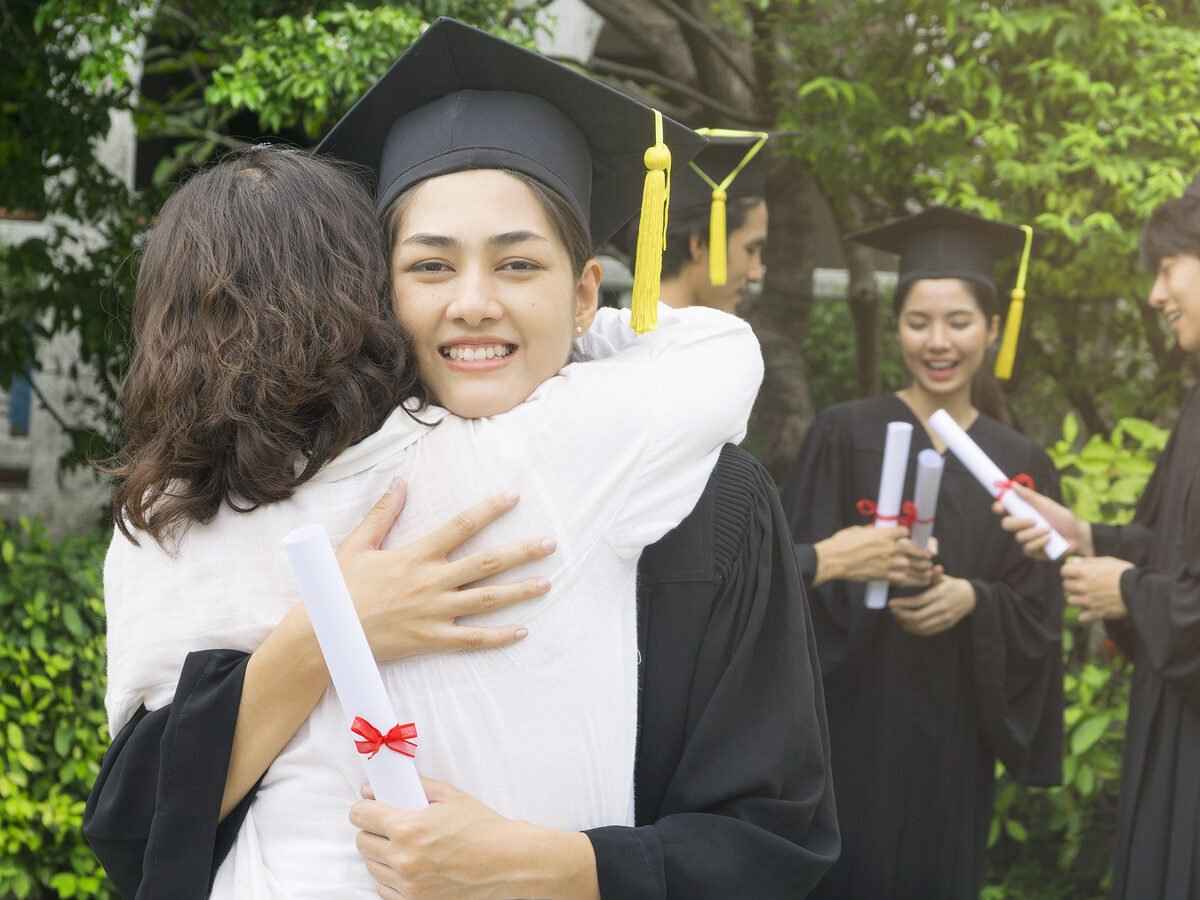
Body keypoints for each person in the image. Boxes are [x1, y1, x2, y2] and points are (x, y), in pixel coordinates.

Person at [85, 19, 835, 899]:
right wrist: (328, 633)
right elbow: (140, 828)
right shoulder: (292, 484)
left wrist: (556, 867)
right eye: (431, 267)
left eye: (518, 264)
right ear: (380, 292)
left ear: (586, 291)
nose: (474, 304)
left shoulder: (706, 496)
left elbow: (780, 841)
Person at [782, 207, 1064, 899]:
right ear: (896, 327)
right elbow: (785, 581)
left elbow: (1042, 612)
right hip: (850, 735)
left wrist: (975, 599)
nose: (938, 343)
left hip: (953, 742)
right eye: (918, 323)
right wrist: (849, 562)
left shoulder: (1021, 464)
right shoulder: (843, 435)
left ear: (993, 329)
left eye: (960, 322)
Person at [995, 189, 1200, 900]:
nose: (1154, 295)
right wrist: (1084, 536)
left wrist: (1128, 592)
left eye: (1168, 267)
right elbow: (1171, 550)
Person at [650, 131, 770, 314]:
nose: (756, 273)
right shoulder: (727, 339)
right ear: (698, 244)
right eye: (750, 250)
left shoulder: (610, 334)